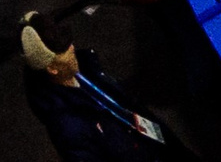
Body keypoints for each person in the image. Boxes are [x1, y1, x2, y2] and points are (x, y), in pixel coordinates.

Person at [20, 11, 178, 161]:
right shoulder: (69, 130)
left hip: (155, 140)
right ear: (52, 68)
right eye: (64, 50)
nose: (72, 48)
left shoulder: (84, 70)